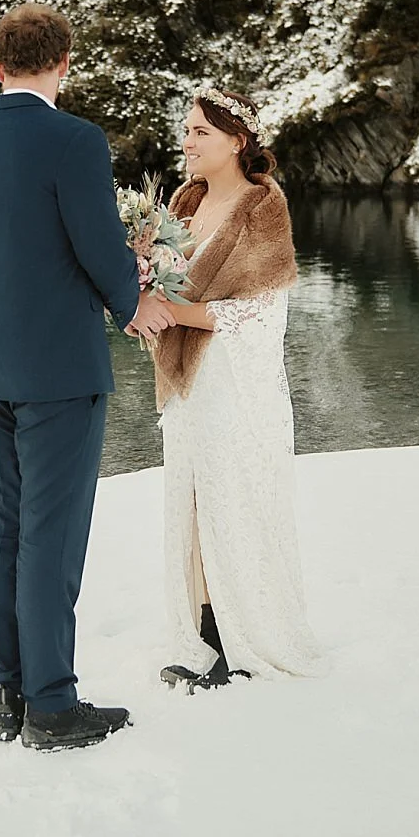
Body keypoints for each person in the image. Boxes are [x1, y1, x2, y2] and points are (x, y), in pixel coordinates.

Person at [0, 3, 175, 751]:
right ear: (64, 62)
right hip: (57, 368)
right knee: (52, 532)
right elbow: (95, 241)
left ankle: (8, 694)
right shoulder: (75, 140)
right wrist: (131, 302)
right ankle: (51, 705)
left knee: (7, 526)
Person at [149, 89, 324, 690]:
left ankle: (239, 635)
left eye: (200, 131)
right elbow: (162, 279)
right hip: (187, 382)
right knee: (192, 501)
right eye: (187, 130)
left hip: (235, 380)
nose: (188, 141)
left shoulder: (262, 207)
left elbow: (259, 315)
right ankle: (201, 630)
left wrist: (165, 306)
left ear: (237, 140)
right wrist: (143, 292)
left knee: (233, 500)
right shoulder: (183, 200)